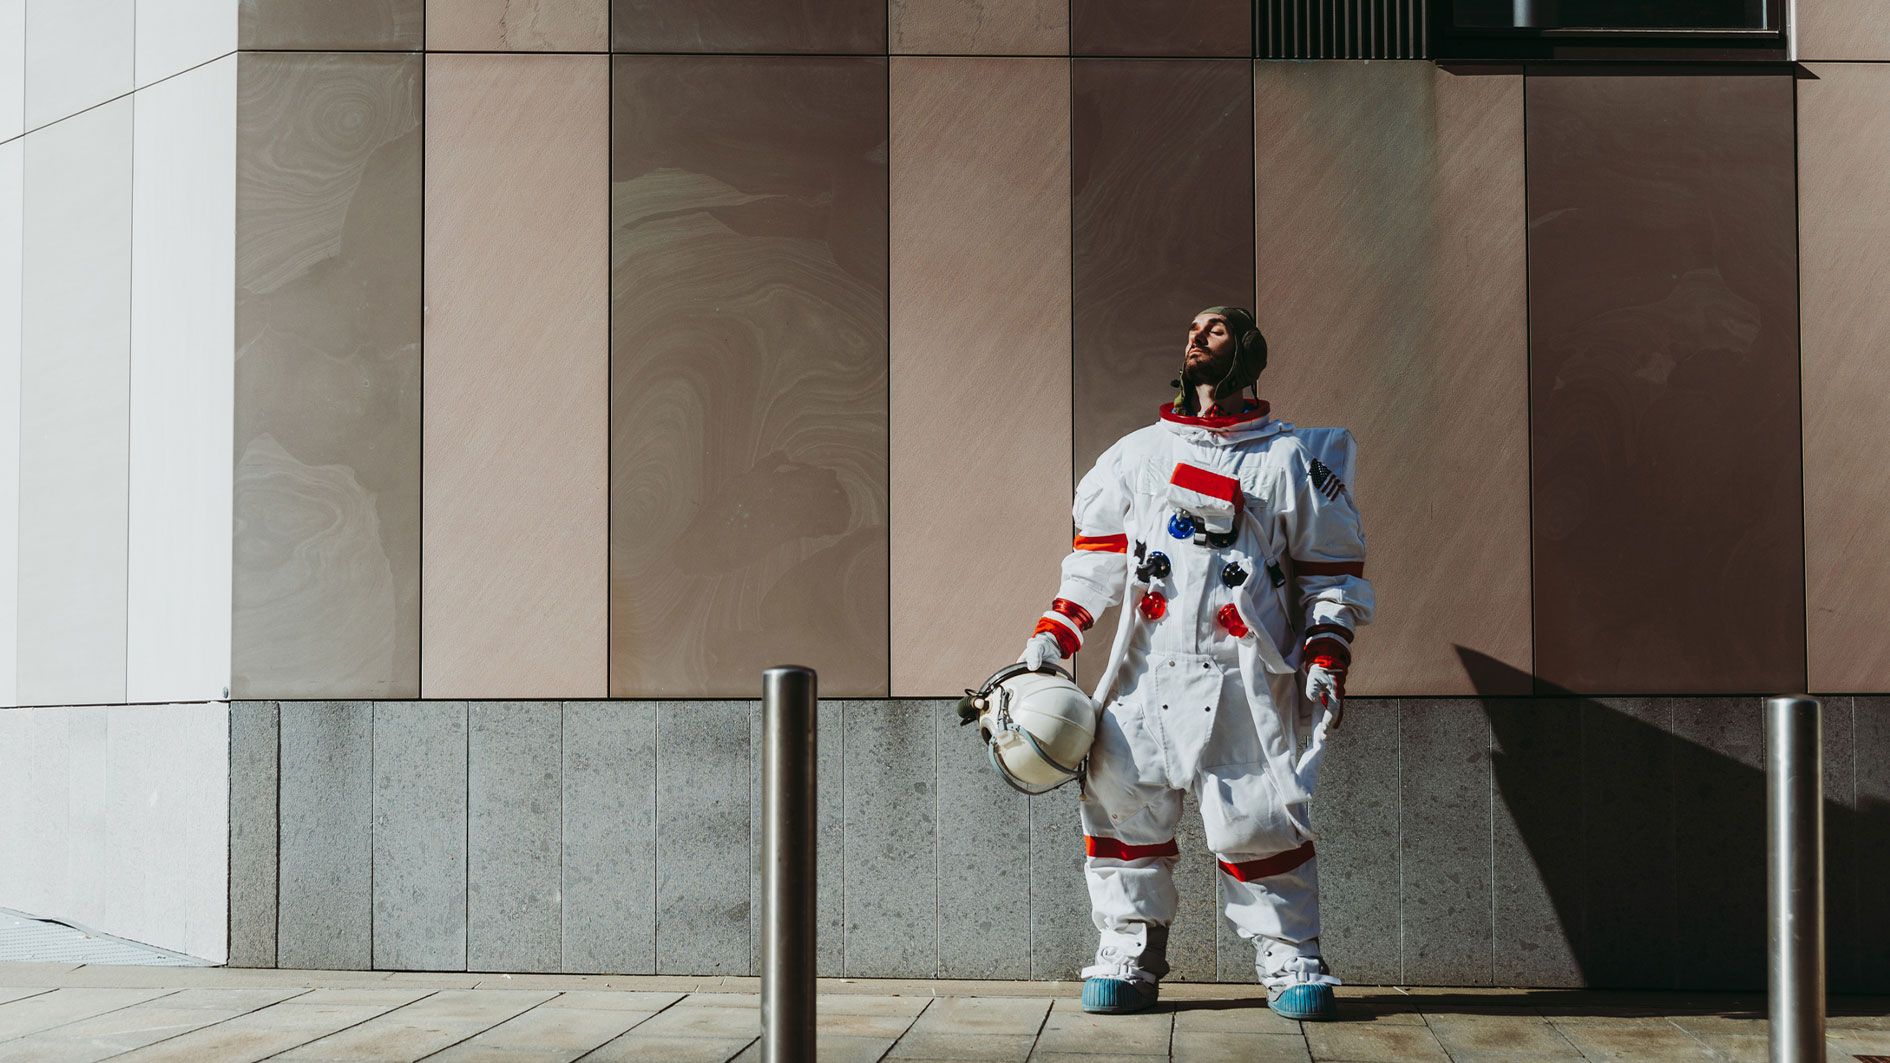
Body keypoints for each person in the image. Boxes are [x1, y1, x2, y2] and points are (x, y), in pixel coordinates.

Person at [1020, 307, 1372, 1022]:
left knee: (1260, 820)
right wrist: (1056, 636)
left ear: (1246, 352)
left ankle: (1290, 955)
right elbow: (1096, 565)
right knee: (1123, 807)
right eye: (1190, 328)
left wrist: (1327, 651)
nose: (1195, 337)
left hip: (1246, 673)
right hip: (1147, 671)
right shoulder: (1137, 455)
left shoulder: (1289, 460)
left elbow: (1329, 575)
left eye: (1215, 330)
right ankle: (1128, 949)